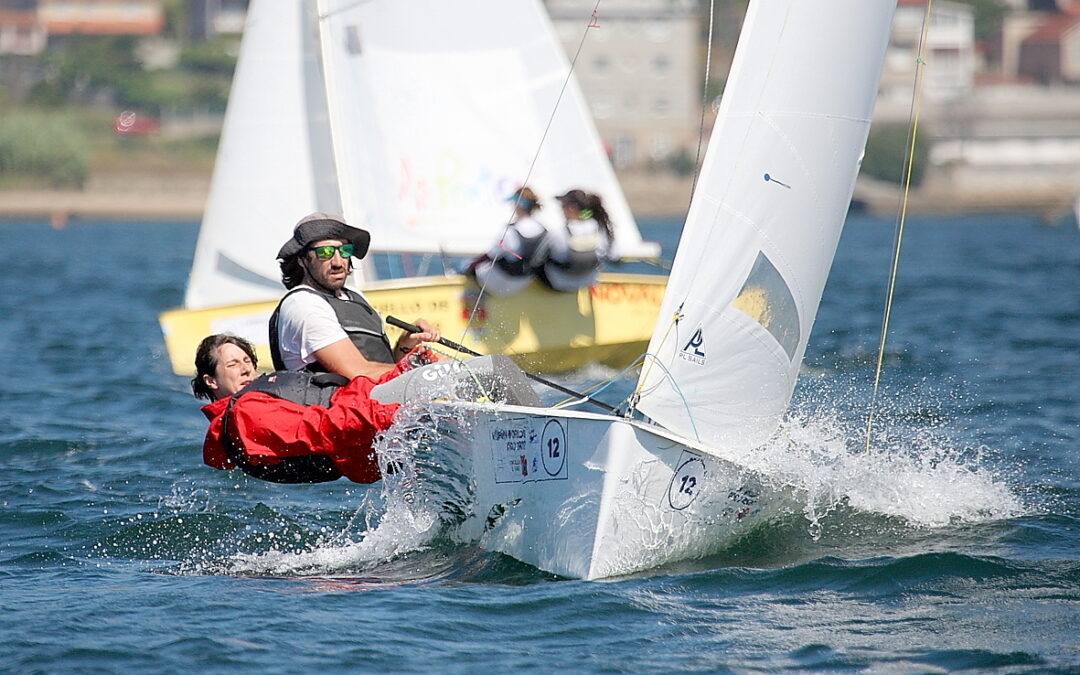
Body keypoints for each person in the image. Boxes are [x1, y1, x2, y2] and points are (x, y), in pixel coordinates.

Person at [192, 333, 432, 484]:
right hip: (379, 428)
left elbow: (347, 399)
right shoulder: (247, 412)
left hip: (377, 422)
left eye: (247, 361)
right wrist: (398, 411)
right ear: (211, 381)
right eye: (233, 364)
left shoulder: (257, 400)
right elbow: (324, 428)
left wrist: (405, 368)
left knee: (423, 362)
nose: (246, 370)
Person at [270, 212, 441, 379]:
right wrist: (431, 371)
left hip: (377, 404)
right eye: (325, 252)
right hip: (331, 406)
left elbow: (386, 371)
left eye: (344, 250)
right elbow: (359, 373)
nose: (338, 262)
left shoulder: (355, 296)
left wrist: (405, 345)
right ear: (302, 259)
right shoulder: (303, 304)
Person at [463, 187, 550, 296]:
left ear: (518, 205)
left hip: (498, 285)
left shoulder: (511, 231)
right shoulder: (545, 231)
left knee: (468, 265)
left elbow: (489, 256)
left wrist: (469, 267)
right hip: (522, 284)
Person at [536, 189, 618, 292]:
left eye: (562, 206)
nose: (561, 210)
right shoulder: (599, 228)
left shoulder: (558, 231)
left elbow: (537, 258)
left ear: (571, 208)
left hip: (557, 283)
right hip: (587, 282)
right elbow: (613, 256)